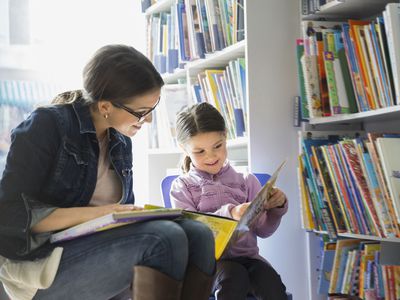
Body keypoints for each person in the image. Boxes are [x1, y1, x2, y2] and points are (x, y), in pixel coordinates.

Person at [0, 45, 216, 300]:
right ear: (105, 106)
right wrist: (101, 213)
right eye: (141, 112)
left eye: (152, 109)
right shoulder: (47, 125)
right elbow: (9, 215)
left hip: (95, 248)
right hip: (39, 264)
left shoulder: (121, 141)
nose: (147, 121)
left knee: (199, 234)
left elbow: (122, 214)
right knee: (164, 239)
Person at [170, 102, 288, 300]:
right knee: (234, 276)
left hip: (249, 259)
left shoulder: (246, 181)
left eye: (218, 146)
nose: (211, 156)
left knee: (272, 283)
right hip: (207, 265)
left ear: (225, 136)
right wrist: (230, 213)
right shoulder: (182, 186)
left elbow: (264, 231)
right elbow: (190, 235)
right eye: (200, 151)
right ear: (184, 148)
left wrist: (276, 208)